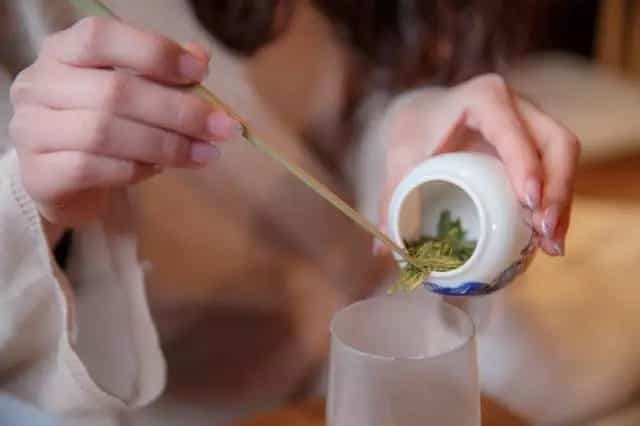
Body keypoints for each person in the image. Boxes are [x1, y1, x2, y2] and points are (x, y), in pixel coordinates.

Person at [0, 0, 580, 424]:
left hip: (351, 354)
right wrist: (34, 201)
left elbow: (352, 94)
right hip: (169, 402)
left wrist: (415, 120)